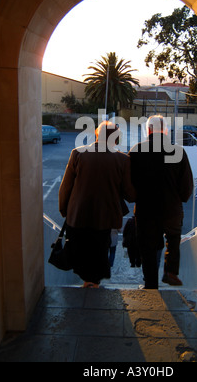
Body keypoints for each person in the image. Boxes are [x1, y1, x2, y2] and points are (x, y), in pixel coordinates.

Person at [59, 121, 136, 288]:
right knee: (100, 249)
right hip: (105, 217)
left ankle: (87, 282)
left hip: (78, 214)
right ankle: (94, 282)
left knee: (82, 250)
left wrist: (64, 209)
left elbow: (66, 186)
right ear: (115, 139)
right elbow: (130, 193)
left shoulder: (78, 153)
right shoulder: (122, 160)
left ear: (96, 134)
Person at [129, 115, 193, 289]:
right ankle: (171, 271)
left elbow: (129, 181)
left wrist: (134, 197)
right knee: (173, 239)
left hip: (146, 210)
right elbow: (186, 186)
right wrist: (179, 198)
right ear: (165, 131)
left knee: (147, 247)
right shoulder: (178, 152)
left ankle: (150, 284)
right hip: (171, 209)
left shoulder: (136, 151)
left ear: (148, 130)